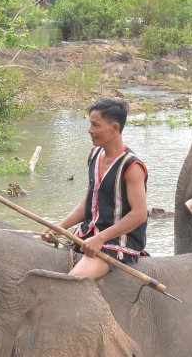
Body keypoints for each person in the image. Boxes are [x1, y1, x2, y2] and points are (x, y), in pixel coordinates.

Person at [42, 97, 148, 283]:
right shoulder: (95, 154)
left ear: (114, 128)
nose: (90, 130)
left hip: (116, 241)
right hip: (87, 235)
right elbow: (88, 203)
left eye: (95, 125)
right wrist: (60, 228)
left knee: (70, 281)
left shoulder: (132, 167)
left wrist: (101, 238)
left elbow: (139, 214)